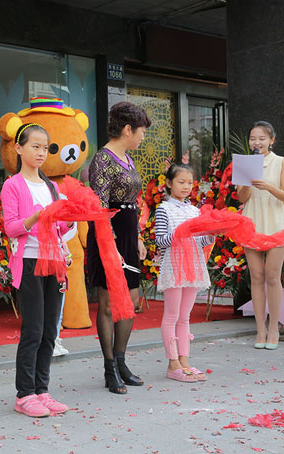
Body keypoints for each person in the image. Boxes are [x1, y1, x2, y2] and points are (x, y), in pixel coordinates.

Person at [0, 123, 71, 418]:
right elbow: (12, 227)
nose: (42, 152)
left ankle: (42, 390)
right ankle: (24, 394)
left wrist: (73, 216)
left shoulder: (51, 186)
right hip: (29, 262)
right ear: (19, 148)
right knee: (33, 330)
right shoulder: (13, 185)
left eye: (45, 147)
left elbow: (60, 228)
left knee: (50, 331)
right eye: (35, 146)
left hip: (54, 261)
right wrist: (36, 218)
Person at [86, 101, 150, 395]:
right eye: (141, 132)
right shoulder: (103, 158)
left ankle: (122, 360)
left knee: (132, 301)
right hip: (106, 234)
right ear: (127, 130)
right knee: (110, 304)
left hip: (127, 232)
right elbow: (98, 206)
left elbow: (133, 204)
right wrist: (109, 242)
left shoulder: (128, 158)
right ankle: (109, 366)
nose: (142, 137)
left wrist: (137, 237)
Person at [155, 164, 213, 382]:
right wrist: (180, 232)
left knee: (185, 316)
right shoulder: (163, 209)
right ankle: (172, 363)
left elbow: (201, 241)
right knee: (171, 315)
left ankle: (185, 360)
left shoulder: (195, 211)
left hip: (193, 265)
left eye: (189, 182)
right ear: (169, 184)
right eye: (181, 182)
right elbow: (160, 241)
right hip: (174, 266)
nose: (186, 186)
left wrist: (211, 234)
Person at [237, 121, 284, 350]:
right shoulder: (246, 163)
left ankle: (274, 328)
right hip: (252, 220)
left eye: (262, 138)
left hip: (276, 222)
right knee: (256, 277)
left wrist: (269, 188)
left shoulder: (281, 163)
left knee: (272, 276)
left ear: (272, 140)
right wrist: (248, 180)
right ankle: (260, 330)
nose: (257, 142)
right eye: (253, 139)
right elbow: (241, 198)